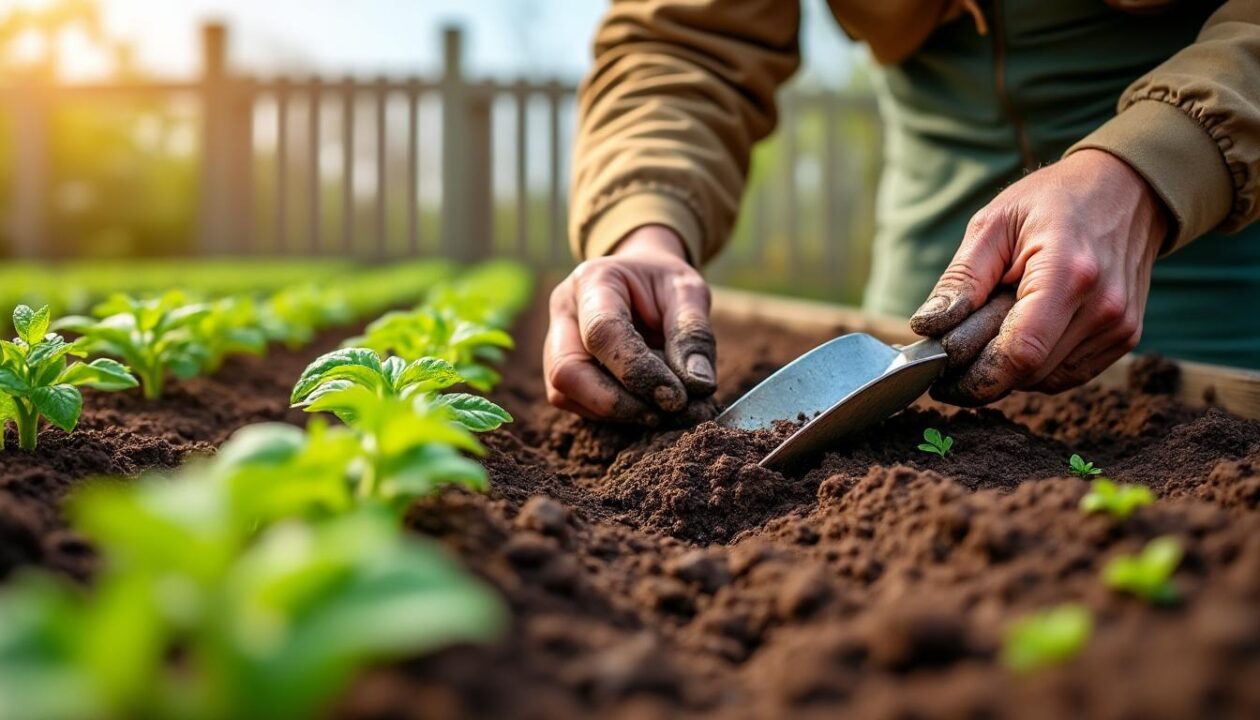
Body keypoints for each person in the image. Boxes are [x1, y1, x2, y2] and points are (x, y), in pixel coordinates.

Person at [545, 0, 1260, 425]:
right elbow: (682, 39)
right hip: (939, 261)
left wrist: (1152, 167)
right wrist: (644, 229)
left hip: (1224, 234)